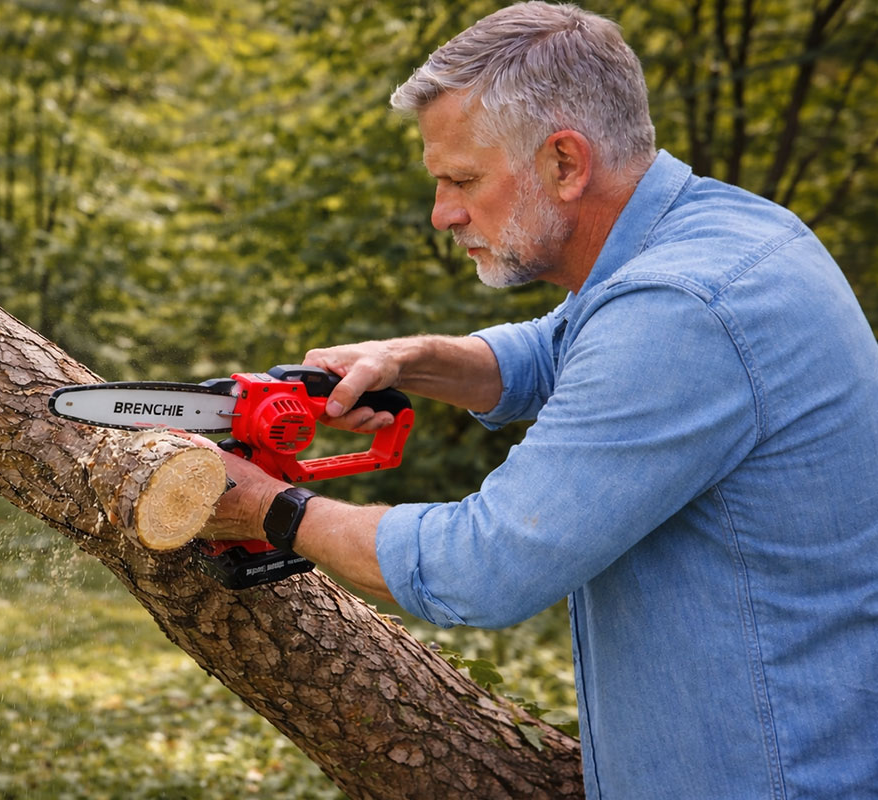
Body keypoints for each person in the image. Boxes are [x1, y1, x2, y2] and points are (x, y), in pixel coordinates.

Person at [200, 3, 878, 798]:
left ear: (565, 162)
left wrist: (272, 511)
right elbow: (552, 349)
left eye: (463, 180)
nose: (442, 213)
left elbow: (487, 564)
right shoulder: (720, 234)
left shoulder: (683, 308)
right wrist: (406, 360)